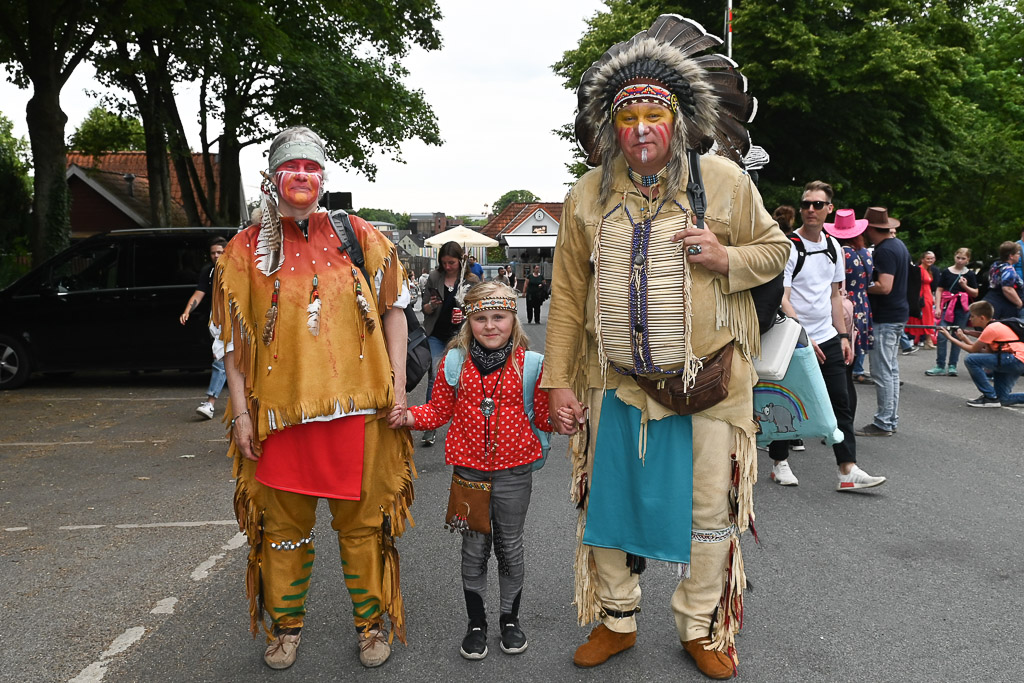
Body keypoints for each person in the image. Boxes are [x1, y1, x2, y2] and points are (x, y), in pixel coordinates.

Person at [543, 15, 790, 679]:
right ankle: (616, 618)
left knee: (710, 508)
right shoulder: (587, 195)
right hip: (615, 380)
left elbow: (777, 250)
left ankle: (702, 625)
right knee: (609, 502)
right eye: (629, 117)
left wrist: (724, 255)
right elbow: (566, 297)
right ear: (611, 128)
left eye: (655, 112)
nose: (643, 128)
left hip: (710, 381)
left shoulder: (727, 183)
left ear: (677, 120)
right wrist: (557, 381)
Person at [213, 126, 414, 670]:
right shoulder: (244, 248)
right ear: (274, 177)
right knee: (281, 531)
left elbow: (396, 308)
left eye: (312, 167)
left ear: (323, 178)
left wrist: (396, 385)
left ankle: (372, 627)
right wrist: (240, 415)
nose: (301, 175)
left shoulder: (357, 233)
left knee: (363, 528)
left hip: (360, 412)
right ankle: (285, 630)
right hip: (280, 416)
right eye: (290, 166)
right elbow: (231, 342)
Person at [388, 282, 560, 660]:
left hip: (515, 473)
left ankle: (509, 622)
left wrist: (568, 415)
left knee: (510, 548)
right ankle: (476, 624)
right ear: (469, 322)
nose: (491, 326)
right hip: (469, 474)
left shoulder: (533, 364)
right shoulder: (455, 361)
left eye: (499, 317)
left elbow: (546, 418)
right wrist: (409, 416)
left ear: (513, 319)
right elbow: (438, 411)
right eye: (481, 318)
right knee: (473, 549)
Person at [768, 192, 885, 491]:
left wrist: (843, 335)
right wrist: (802, 335)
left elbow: (835, 295)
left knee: (841, 402)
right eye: (806, 204)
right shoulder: (790, 246)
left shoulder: (834, 246)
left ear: (829, 209)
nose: (810, 209)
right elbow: (783, 297)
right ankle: (779, 461)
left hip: (829, 336)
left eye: (817, 205)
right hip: (795, 334)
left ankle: (848, 470)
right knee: (790, 401)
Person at [857, 207, 910, 437]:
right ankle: (890, 418)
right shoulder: (897, 246)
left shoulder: (885, 250)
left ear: (870, 228)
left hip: (886, 316)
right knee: (891, 370)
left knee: (882, 371)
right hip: (897, 314)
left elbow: (885, 286)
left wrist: (861, 286)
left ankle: (884, 421)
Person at [421, 242, 479, 446]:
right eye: (444, 263)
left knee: (466, 379)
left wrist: (463, 315)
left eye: (452, 262)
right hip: (437, 334)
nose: (448, 266)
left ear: (460, 260)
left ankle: (467, 424)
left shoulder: (471, 280)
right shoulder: (434, 278)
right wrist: (432, 305)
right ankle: (430, 425)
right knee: (436, 377)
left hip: (462, 335)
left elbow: (478, 310)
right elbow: (425, 308)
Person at [939, 300, 1024, 407]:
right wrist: (964, 337)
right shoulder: (996, 325)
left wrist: (950, 337)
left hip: (1013, 359)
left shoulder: (991, 328)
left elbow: (973, 350)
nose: (970, 319)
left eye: (972, 316)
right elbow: (983, 351)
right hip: (1016, 360)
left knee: (970, 359)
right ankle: (993, 398)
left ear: (982, 318)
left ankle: (990, 397)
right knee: (1003, 399)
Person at [179, 237, 228, 419]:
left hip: (239, 320)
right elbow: (199, 293)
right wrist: (187, 311)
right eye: (213, 253)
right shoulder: (208, 272)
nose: (216, 256)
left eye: (219, 252)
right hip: (219, 321)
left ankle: (213, 403)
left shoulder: (237, 269)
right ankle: (210, 402)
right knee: (220, 360)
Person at [832, 211, 874, 384]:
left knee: (846, 343)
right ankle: (858, 369)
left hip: (846, 303)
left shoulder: (842, 252)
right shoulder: (865, 253)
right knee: (858, 341)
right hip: (863, 302)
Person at [926, 248, 978, 376]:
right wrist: (937, 307)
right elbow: (939, 289)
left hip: (962, 308)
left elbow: (975, 293)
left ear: (968, 260)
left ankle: (953, 365)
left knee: (957, 336)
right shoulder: (947, 272)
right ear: (955, 257)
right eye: (958, 258)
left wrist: (965, 286)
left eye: (963, 259)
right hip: (947, 306)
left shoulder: (970, 274)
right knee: (942, 335)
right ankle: (940, 364)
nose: (960, 261)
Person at [981, 241, 1023, 320]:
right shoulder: (1009, 270)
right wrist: (1019, 303)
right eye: (1017, 253)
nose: (1019, 255)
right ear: (1011, 256)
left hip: (989, 301)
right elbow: (1007, 289)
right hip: (1002, 306)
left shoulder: (995, 265)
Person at [907, 251, 938, 349]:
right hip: (923, 296)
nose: (930, 260)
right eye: (928, 258)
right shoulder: (919, 270)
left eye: (932, 258)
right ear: (922, 259)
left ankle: (927, 340)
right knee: (923, 318)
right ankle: (927, 340)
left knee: (927, 318)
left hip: (928, 295)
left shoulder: (929, 270)